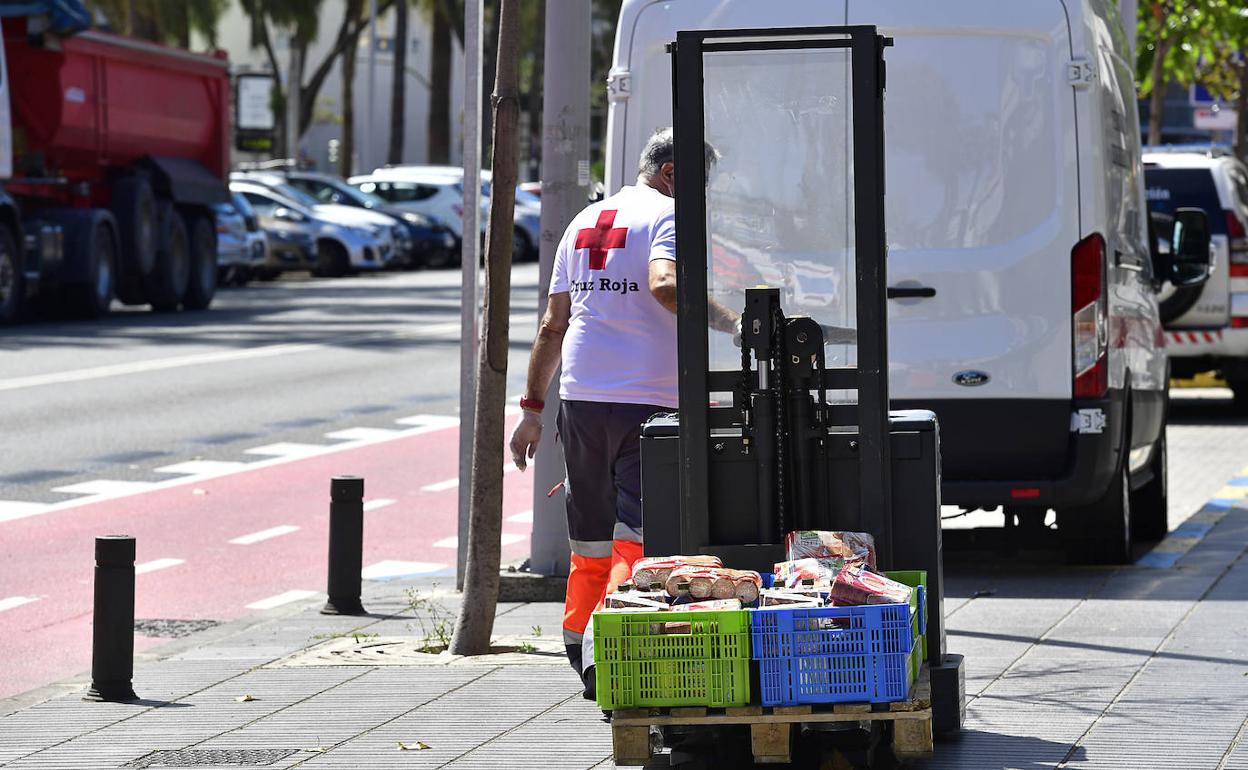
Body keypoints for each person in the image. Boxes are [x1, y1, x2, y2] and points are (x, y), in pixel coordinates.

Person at [509, 127, 732, 696]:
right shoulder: (668, 214)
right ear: (673, 173)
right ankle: (615, 649)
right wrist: (733, 321)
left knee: (589, 535)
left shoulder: (584, 223)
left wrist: (533, 408)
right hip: (649, 401)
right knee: (639, 531)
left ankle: (577, 642)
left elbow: (551, 325)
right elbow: (663, 285)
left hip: (581, 399)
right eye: (700, 181)